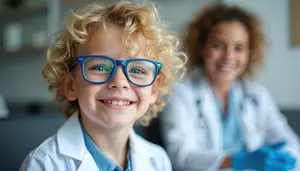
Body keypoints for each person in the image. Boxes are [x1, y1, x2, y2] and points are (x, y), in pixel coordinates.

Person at [19, 1, 187, 171]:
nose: (119, 81)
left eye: (137, 70)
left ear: (153, 89)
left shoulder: (158, 160)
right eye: (100, 67)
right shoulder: (44, 164)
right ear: (71, 85)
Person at [161, 3, 300, 171]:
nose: (229, 56)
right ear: (201, 48)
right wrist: (238, 161)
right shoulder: (181, 94)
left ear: (249, 53)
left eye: (238, 48)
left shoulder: (256, 94)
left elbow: (288, 141)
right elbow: (180, 155)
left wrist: (285, 158)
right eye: (218, 45)